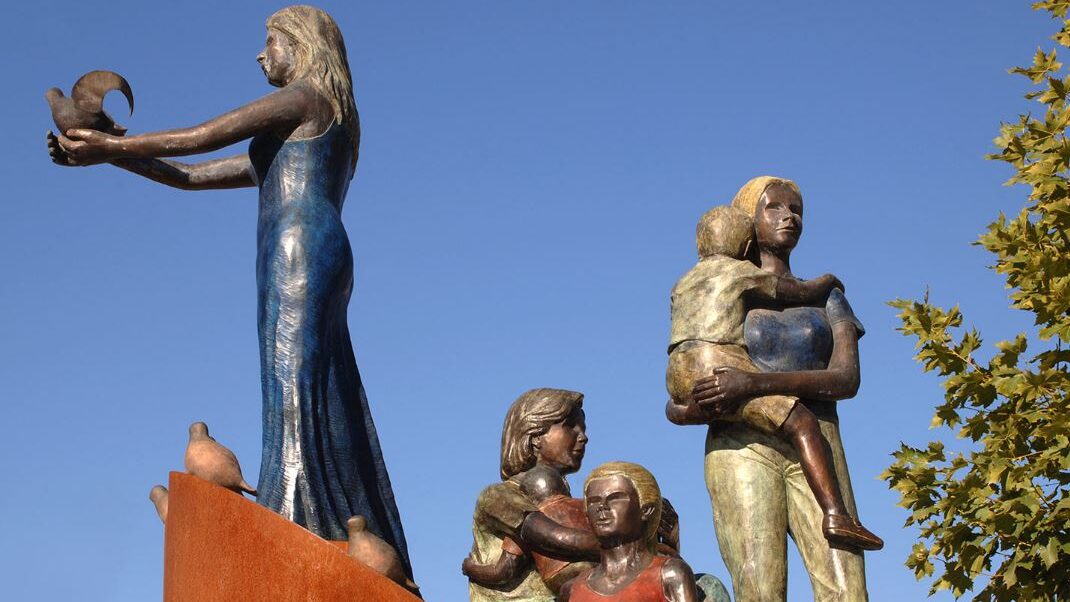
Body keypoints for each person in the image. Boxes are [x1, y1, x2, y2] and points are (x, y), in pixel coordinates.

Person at [47, 5, 411, 576]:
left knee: (293, 386)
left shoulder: (309, 98)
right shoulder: (294, 135)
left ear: (303, 45)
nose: (262, 54)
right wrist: (107, 157)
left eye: (271, 41)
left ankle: (293, 519)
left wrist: (110, 146)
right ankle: (334, 519)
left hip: (299, 247)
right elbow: (191, 175)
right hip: (301, 249)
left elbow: (200, 136)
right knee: (310, 384)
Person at [666, 176, 872, 601]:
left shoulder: (826, 297)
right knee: (759, 587)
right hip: (742, 447)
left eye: (796, 210)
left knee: (847, 588)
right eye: (774, 208)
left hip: (818, 441)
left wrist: (753, 383)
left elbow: (845, 379)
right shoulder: (722, 286)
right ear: (747, 219)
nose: (789, 216)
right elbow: (676, 402)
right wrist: (706, 405)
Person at [463, 388, 598, 601]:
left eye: (583, 428)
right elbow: (551, 537)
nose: (584, 437)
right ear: (535, 436)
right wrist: (624, 543)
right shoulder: (497, 496)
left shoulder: (574, 504)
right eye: (571, 426)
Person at [559, 462, 699, 602]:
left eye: (615, 498)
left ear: (646, 509)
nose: (602, 507)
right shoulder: (571, 590)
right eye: (593, 501)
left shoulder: (670, 575)